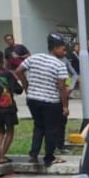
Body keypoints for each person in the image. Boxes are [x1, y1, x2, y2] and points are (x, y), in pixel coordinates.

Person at [15, 33, 70, 167]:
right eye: (63, 49)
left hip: (33, 99)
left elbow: (18, 71)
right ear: (55, 48)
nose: (65, 52)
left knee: (39, 126)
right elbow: (62, 87)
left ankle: (33, 154)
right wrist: (65, 106)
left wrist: (26, 85)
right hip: (50, 101)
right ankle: (49, 157)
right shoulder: (59, 65)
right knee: (51, 129)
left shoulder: (34, 58)